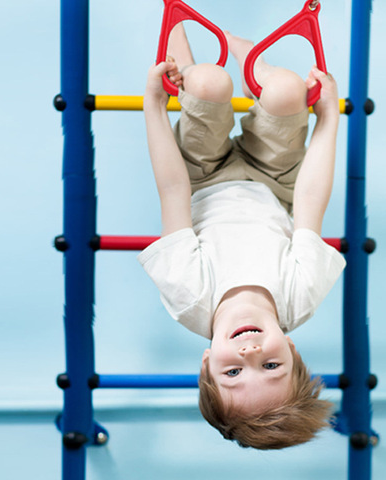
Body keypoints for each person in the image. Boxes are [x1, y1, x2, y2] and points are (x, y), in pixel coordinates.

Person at [138, 23, 346, 449]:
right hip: (275, 181)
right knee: (288, 89)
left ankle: (178, 34)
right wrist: (327, 119)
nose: (251, 355)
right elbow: (309, 198)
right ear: (290, 348)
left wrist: (154, 107)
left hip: (201, 175)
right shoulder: (301, 293)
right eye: (272, 365)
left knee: (207, 82)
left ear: (207, 363)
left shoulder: (189, 293)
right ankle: (254, 59)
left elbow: (173, 190)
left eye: (233, 373)